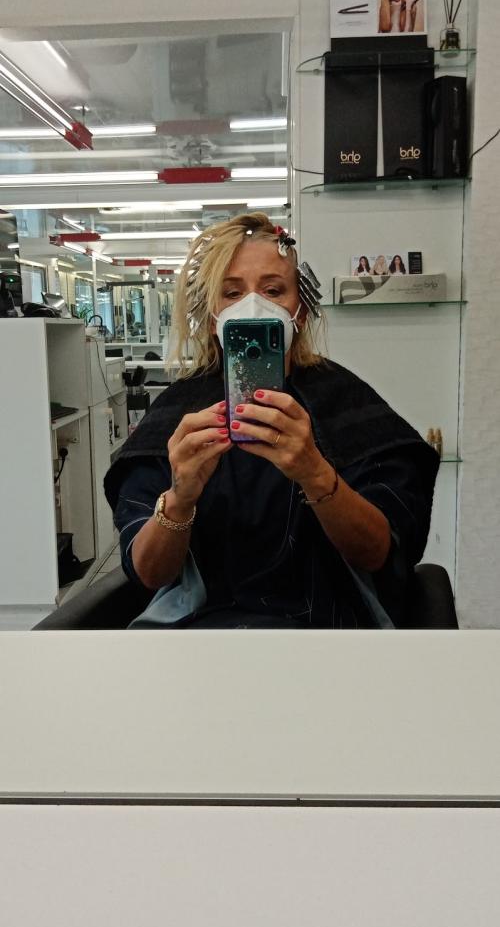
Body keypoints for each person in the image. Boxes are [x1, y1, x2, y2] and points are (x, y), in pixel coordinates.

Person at [104, 212, 439, 629]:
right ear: (211, 317)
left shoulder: (346, 403)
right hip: (202, 631)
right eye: (231, 292)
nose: (252, 306)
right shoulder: (176, 417)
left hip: (327, 629)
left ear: (301, 310)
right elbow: (149, 574)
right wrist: (180, 498)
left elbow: (380, 554)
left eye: (273, 290)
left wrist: (316, 475)